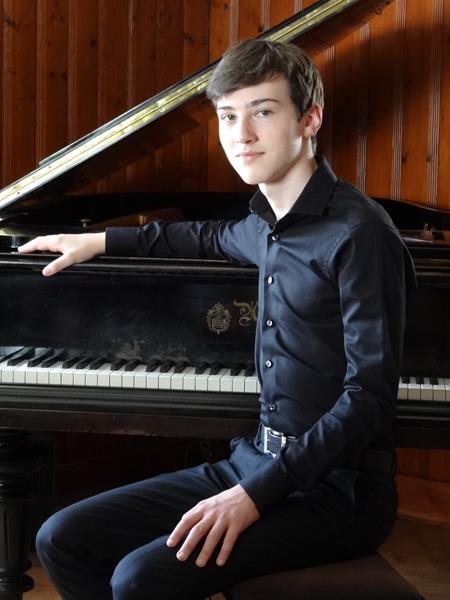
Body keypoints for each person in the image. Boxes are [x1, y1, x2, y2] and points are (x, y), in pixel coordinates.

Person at [19, 39, 415, 600]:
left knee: (138, 577)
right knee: (62, 538)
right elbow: (203, 235)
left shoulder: (360, 234)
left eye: (263, 111)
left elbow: (368, 399)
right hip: (254, 462)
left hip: (336, 492)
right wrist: (99, 240)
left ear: (310, 119)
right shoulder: (265, 223)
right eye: (228, 116)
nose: (241, 134)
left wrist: (254, 496)